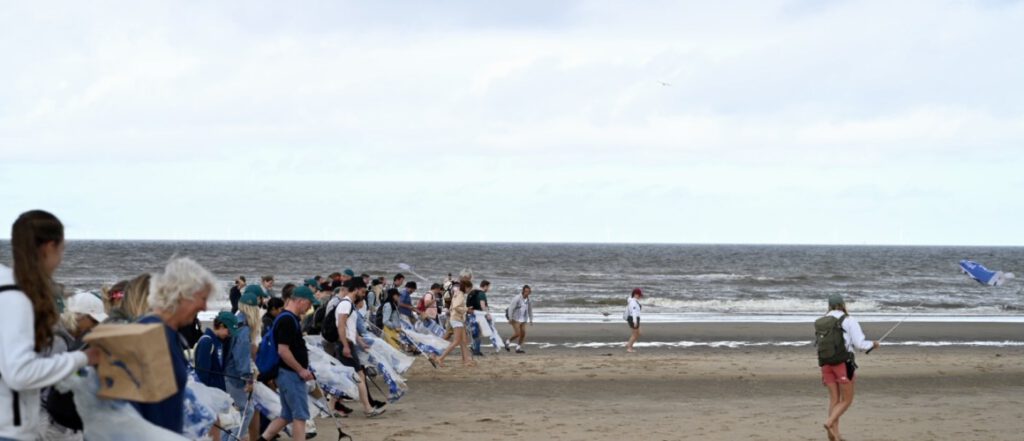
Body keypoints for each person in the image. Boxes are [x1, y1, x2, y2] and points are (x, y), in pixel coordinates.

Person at [0, 210, 100, 440]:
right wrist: (83, 358)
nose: (61, 260)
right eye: (61, 250)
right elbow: (19, 373)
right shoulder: (18, 298)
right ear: (49, 247)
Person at [133, 257, 217, 434]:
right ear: (181, 295)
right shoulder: (152, 335)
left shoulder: (171, 335)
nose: (205, 307)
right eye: (202, 298)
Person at [258, 286, 316, 441]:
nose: (310, 307)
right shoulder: (287, 320)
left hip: (286, 373)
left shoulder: (287, 318)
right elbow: (283, 351)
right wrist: (301, 370)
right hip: (290, 374)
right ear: (301, 301)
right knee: (300, 415)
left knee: (287, 415)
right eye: (309, 303)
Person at [820, 294, 879, 441]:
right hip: (842, 363)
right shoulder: (849, 320)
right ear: (843, 304)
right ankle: (829, 422)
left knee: (834, 400)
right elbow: (860, 344)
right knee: (847, 400)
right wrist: (873, 344)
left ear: (829, 306)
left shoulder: (822, 321)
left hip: (825, 364)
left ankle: (836, 435)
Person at [334, 279, 386, 418]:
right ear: (356, 289)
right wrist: (346, 345)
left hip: (348, 343)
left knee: (345, 376)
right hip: (345, 344)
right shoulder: (345, 304)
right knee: (359, 376)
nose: (363, 295)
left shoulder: (348, 304)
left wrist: (359, 341)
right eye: (362, 291)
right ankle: (368, 409)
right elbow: (341, 326)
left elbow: (350, 326)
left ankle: (331, 407)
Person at [433, 279, 474, 368]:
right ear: (466, 287)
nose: (469, 291)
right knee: (456, 341)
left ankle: (466, 361)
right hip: (457, 319)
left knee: (464, 340)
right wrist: (467, 309)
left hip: (457, 318)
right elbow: (456, 307)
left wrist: (465, 309)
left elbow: (452, 306)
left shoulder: (457, 293)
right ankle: (440, 358)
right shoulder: (460, 294)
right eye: (469, 289)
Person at [195, 311, 238, 391]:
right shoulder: (207, 342)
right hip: (210, 393)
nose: (228, 335)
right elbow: (202, 375)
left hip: (219, 391)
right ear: (221, 326)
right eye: (228, 331)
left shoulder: (221, 342)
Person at [466, 280, 492, 356]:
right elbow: (482, 305)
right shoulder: (481, 294)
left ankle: (474, 347)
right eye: (489, 287)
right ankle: (476, 350)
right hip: (478, 315)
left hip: (471, 314)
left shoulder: (474, 292)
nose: (489, 288)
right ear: (485, 286)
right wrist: (487, 314)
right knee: (478, 333)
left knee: (475, 332)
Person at [505, 285, 533, 353]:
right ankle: (507, 342)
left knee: (523, 334)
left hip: (523, 319)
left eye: (528, 292)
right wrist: (510, 318)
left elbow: (530, 310)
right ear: (523, 291)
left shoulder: (529, 300)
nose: (527, 293)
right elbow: (511, 308)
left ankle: (518, 348)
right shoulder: (517, 298)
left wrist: (531, 319)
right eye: (526, 291)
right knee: (517, 333)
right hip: (515, 318)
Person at [625, 288, 643, 353]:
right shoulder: (633, 302)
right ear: (635, 294)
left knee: (638, 333)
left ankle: (629, 344)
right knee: (635, 334)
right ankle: (629, 347)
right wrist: (635, 321)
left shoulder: (634, 301)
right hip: (633, 318)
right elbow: (633, 312)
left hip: (635, 318)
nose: (640, 296)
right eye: (639, 295)